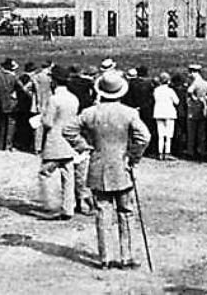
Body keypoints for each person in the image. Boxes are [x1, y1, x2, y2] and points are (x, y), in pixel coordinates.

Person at [63, 71, 151, 270]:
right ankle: (126, 257)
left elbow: (68, 130)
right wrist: (133, 156)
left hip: (98, 165)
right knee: (126, 212)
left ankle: (105, 258)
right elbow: (144, 137)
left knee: (103, 211)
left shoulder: (90, 112)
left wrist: (84, 146)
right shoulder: (129, 113)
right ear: (121, 91)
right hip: (122, 167)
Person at [38, 66, 79, 220]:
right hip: (69, 140)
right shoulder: (73, 98)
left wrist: (42, 117)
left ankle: (51, 204)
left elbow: (48, 122)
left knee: (45, 173)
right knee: (69, 176)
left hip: (55, 140)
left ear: (54, 81)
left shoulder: (54, 99)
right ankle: (68, 208)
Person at [0, 58, 23, 151]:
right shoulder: (13, 77)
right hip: (12, 104)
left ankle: (1, 145)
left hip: (1, 105)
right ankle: (8, 145)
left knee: (2, 125)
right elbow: (21, 89)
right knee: (11, 126)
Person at [185, 64, 207, 160]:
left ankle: (191, 152)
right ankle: (202, 151)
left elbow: (189, 91)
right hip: (202, 109)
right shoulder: (205, 83)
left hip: (193, 109)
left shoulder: (195, 83)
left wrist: (194, 99)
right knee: (201, 133)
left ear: (192, 72)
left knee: (191, 132)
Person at [152, 72, 179, 161]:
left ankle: (160, 152)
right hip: (169, 113)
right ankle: (167, 152)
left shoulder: (156, 90)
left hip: (159, 112)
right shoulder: (170, 91)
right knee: (168, 134)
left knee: (161, 134)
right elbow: (176, 101)